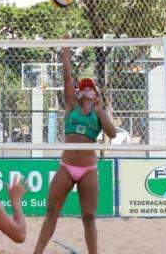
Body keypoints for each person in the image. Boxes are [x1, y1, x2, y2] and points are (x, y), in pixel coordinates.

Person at [33, 43, 117, 254]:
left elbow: (113, 133)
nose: (87, 88)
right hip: (67, 166)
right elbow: (66, 76)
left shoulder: (98, 113)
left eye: (91, 87)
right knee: (52, 211)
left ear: (96, 94)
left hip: (88, 169)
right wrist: (65, 47)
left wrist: (101, 111)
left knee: (88, 217)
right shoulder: (72, 105)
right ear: (80, 94)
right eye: (84, 87)